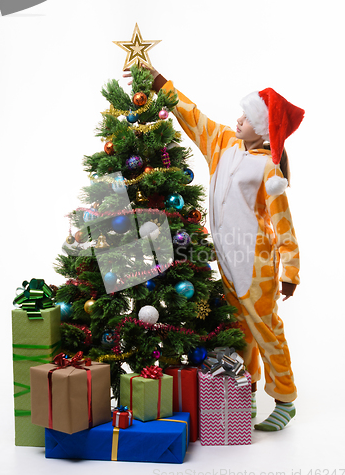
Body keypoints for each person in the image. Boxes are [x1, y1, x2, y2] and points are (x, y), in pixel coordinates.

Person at [124, 65, 304, 431]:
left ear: (266, 128)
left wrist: (291, 271)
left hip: (256, 265)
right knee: (239, 331)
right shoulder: (221, 142)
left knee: (267, 331)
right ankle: (245, 393)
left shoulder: (270, 171)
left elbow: (283, 224)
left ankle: (285, 398)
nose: (238, 120)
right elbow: (192, 114)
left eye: (248, 118)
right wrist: (159, 82)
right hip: (225, 261)